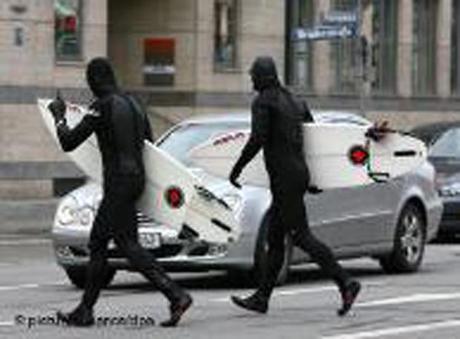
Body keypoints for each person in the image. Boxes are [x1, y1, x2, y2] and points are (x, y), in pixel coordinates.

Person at [48, 57, 192, 327]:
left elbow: (69, 142)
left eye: (90, 80)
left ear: (97, 79)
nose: (89, 86)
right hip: (137, 179)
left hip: (118, 182)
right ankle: (86, 310)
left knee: (118, 244)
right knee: (107, 243)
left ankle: (176, 294)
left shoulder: (101, 106)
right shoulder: (135, 104)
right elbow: (150, 146)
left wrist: (59, 116)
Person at [229, 56, 361, 316]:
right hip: (297, 174)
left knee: (301, 236)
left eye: (253, 75)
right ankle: (262, 298)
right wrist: (313, 177)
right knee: (275, 239)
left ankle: (346, 282)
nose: (251, 79)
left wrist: (237, 168)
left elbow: (257, 138)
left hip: (284, 179)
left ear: (263, 76)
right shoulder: (295, 101)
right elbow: (314, 139)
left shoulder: (263, 102)